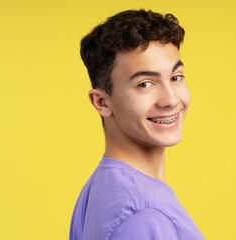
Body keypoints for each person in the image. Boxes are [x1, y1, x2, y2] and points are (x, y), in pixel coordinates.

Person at [69, 9, 205, 240]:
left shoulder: (101, 188)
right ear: (102, 102)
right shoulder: (143, 215)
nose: (171, 99)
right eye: (145, 84)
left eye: (175, 77)